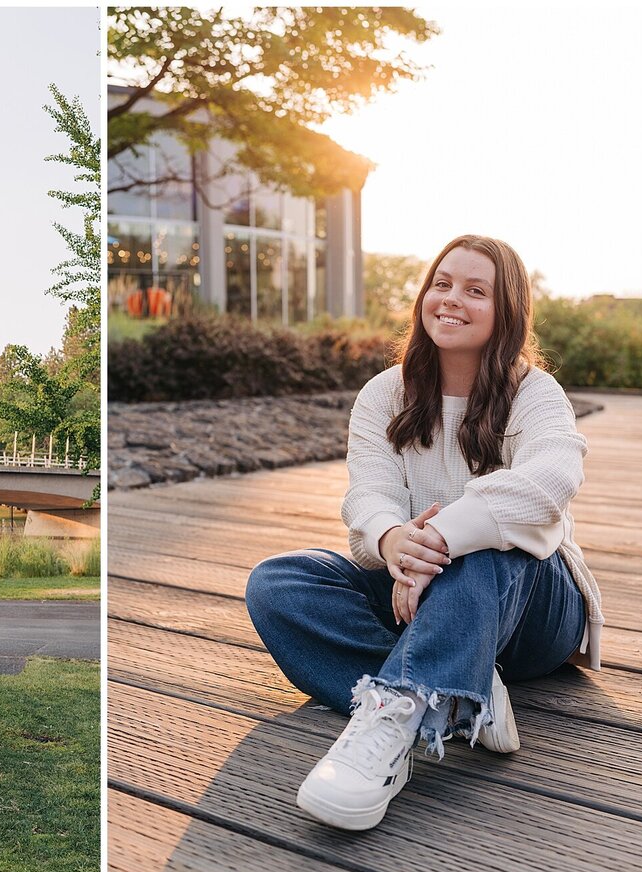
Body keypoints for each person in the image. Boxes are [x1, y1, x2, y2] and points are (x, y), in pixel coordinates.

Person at [245, 235, 603, 832]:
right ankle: (460, 689)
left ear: (506, 310)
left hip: (535, 610)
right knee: (278, 583)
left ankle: (399, 715)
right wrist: (391, 542)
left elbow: (553, 479)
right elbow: (369, 496)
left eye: (475, 290)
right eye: (441, 283)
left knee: (492, 543)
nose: (451, 299)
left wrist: (439, 540)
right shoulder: (384, 394)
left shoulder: (534, 393)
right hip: (417, 591)